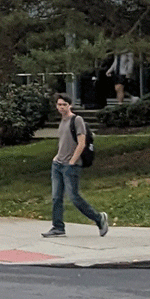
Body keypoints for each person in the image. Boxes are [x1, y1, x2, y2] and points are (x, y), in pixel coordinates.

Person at [45, 94, 109, 239]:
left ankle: (99, 218)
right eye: (59, 104)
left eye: (64, 104)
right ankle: (58, 227)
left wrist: (72, 161)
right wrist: (56, 158)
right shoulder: (62, 121)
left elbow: (82, 143)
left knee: (74, 197)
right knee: (56, 198)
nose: (61, 107)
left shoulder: (77, 120)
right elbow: (63, 143)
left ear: (70, 105)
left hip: (71, 166)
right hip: (58, 164)